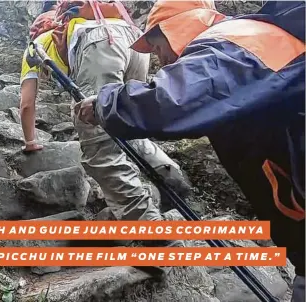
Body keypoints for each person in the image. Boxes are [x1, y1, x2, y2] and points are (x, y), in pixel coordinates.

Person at [74, 0, 305, 299]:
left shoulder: (237, 41)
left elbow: (173, 100)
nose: (159, 60)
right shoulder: (250, 42)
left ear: (175, 28)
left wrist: (107, 105)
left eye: (157, 48)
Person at [19, 0, 191, 248]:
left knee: (99, 148)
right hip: (131, 41)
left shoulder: (35, 46)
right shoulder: (76, 19)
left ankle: (152, 232)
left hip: (99, 44)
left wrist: (30, 142)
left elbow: (26, 104)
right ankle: (169, 174)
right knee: (126, 121)